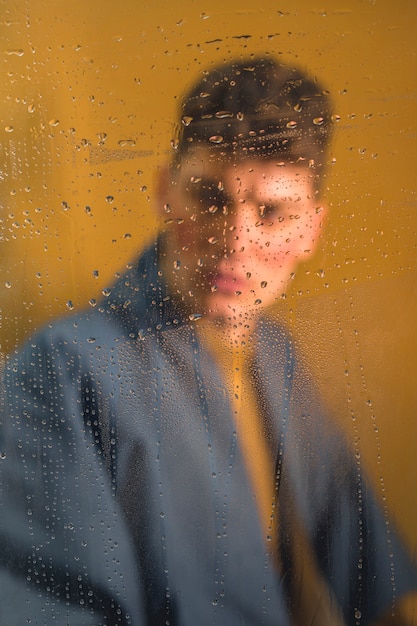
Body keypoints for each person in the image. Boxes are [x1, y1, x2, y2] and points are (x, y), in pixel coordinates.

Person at [0, 57, 416, 626]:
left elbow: (363, 552)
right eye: (210, 198)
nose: (235, 241)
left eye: (272, 212)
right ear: (166, 193)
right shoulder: (60, 374)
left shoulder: (274, 353)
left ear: (312, 229)